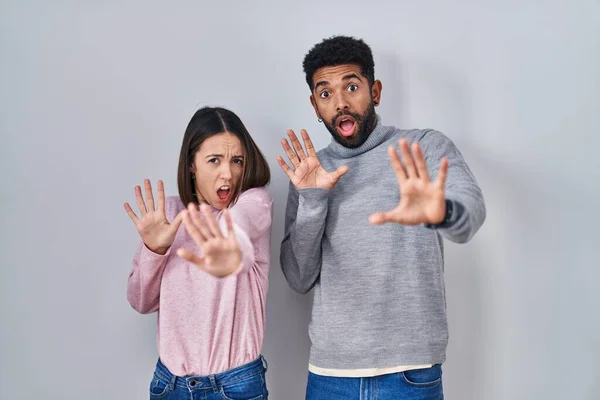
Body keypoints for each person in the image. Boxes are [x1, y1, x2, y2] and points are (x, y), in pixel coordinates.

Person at [278, 36, 486, 399]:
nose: (340, 103)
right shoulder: (311, 171)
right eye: (325, 94)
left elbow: (472, 213)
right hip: (329, 376)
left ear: (375, 91)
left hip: (409, 374)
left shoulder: (422, 147)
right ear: (314, 104)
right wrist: (313, 201)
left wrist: (441, 212)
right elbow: (298, 278)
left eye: (352, 87)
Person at [125, 106, 273, 399]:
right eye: (214, 160)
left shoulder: (255, 202)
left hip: (236, 387)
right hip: (171, 386)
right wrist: (155, 249)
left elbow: (242, 224)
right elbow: (140, 302)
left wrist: (233, 249)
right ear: (192, 164)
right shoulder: (167, 214)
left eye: (237, 160)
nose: (228, 173)